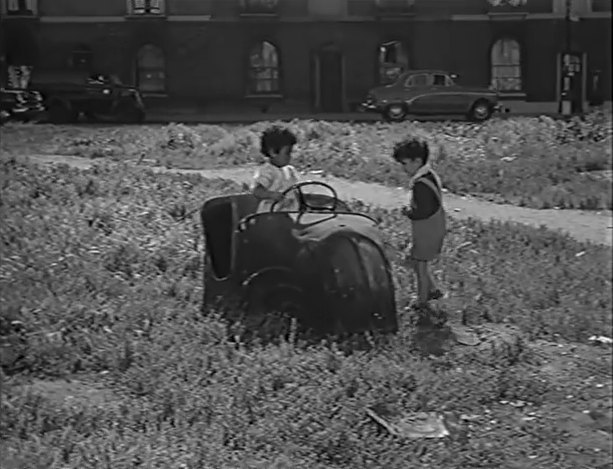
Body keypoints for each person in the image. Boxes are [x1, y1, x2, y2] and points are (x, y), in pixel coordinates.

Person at [392, 137, 447, 327]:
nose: (403, 168)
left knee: (420, 267)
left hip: (427, 230)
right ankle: (433, 290)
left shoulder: (420, 184)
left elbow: (423, 211)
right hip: (433, 227)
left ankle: (421, 302)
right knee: (415, 261)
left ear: (416, 161)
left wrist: (408, 212)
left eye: (405, 164)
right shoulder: (428, 175)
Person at [251, 125, 300, 213]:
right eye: (287, 153)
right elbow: (257, 191)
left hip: (289, 214)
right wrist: (271, 195)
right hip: (269, 216)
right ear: (273, 152)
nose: (290, 156)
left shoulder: (290, 171)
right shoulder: (267, 171)